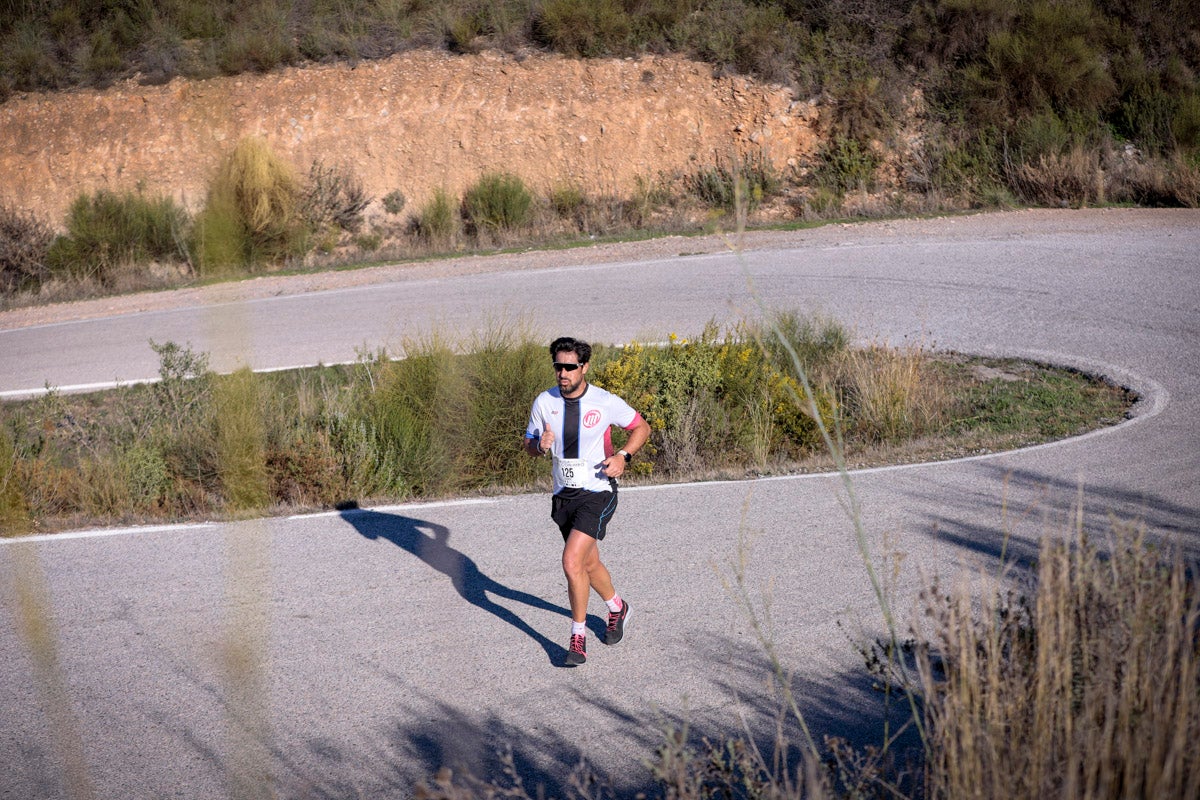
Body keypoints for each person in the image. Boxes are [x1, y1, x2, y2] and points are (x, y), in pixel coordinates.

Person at [525, 336, 651, 666]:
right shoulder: (544, 402)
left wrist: (623, 455)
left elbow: (641, 427)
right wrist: (540, 445)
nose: (563, 373)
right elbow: (528, 443)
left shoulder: (604, 401)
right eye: (558, 366)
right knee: (588, 564)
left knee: (571, 561)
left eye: (570, 367)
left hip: (598, 491)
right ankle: (617, 608)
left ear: (584, 367)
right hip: (563, 495)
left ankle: (577, 638)